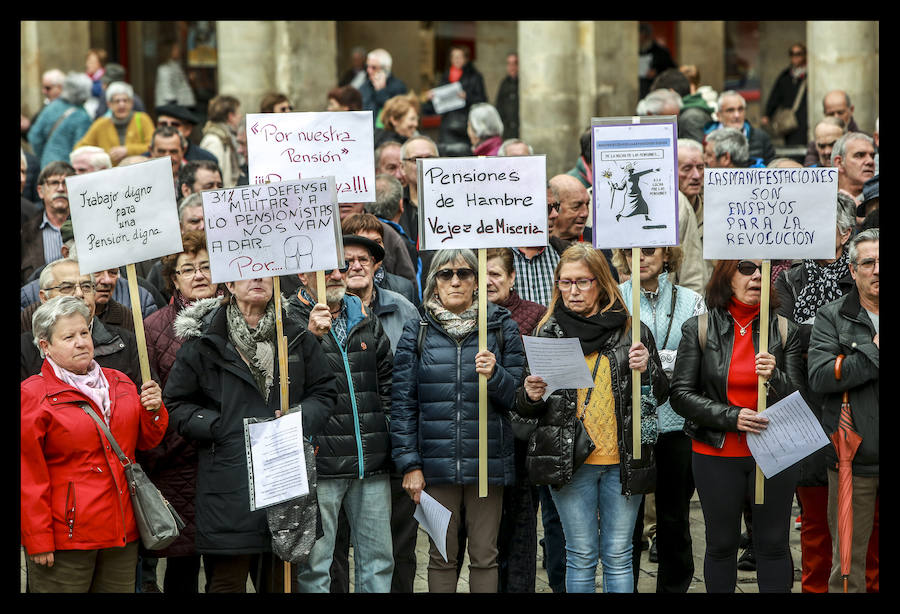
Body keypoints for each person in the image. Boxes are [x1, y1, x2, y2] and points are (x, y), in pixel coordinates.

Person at [164, 276, 337, 593]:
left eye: (265, 272)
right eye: (247, 271)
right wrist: (220, 426)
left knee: (281, 583)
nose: (257, 278)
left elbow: (324, 392)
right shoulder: (205, 341)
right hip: (229, 482)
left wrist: (298, 419)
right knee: (227, 583)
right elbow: (175, 403)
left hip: (284, 478)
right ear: (229, 284)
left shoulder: (295, 334)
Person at [514, 242, 668, 593]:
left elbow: (660, 394)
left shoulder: (632, 330)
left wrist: (647, 371)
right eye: (565, 283)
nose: (573, 291)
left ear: (601, 282)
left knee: (618, 553)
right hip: (571, 461)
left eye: (582, 282)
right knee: (580, 553)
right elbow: (525, 408)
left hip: (623, 460)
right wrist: (531, 394)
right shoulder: (547, 331)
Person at [391, 248, 525, 593]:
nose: (455, 281)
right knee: (441, 557)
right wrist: (410, 464)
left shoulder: (499, 325)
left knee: (485, 555)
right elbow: (403, 403)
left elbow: (519, 397)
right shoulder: (417, 329)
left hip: (486, 464)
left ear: (476, 282)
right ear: (433, 282)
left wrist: (495, 375)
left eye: (464, 273)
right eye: (446, 274)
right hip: (435, 469)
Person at [670, 259, 804, 592]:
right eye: (746, 268)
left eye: (762, 268)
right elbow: (681, 395)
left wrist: (776, 375)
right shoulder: (698, 328)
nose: (757, 275)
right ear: (726, 276)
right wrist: (732, 417)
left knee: (773, 544)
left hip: (774, 452)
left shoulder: (785, 329)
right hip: (716, 452)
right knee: (721, 544)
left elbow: (801, 398)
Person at [21, 296, 167, 593]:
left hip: (122, 532)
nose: (80, 342)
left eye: (84, 333)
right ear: (45, 345)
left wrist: (155, 411)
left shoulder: (120, 382)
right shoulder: (33, 394)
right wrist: (38, 539)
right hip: (67, 538)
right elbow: (28, 475)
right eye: (69, 336)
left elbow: (146, 442)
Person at [774, 197, 877, 592]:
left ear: (844, 234)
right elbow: (786, 344)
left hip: (855, 418)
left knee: (863, 537)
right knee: (816, 526)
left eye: (815, 224)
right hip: (805, 413)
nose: (803, 233)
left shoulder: (860, 278)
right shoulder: (787, 279)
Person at [286, 254, 396, 594]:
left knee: (378, 564)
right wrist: (311, 338)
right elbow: (283, 387)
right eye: (326, 269)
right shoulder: (288, 320)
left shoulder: (364, 316)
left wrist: (385, 429)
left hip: (371, 463)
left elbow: (388, 382)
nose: (337, 275)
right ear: (304, 274)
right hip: (321, 466)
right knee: (316, 569)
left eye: (341, 268)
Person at [613, 245, 705, 592]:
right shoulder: (614, 300)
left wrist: (651, 360)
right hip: (627, 424)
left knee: (674, 518)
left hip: (676, 423)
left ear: (667, 255)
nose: (640, 256)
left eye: (649, 249)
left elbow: (697, 359)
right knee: (627, 521)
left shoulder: (691, 300)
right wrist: (669, 359)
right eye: (630, 250)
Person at [138, 231, 223, 594]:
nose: (199, 275)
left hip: (226, 459)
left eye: (206, 266)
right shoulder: (154, 328)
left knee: (226, 566)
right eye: (188, 269)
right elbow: (152, 399)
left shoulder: (241, 317)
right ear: (174, 279)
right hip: (176, 464)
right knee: (181, 568)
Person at [807, 228, 879, 593]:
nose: (877, 270)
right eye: (869, 262)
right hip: (855, 459)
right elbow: (820, 376)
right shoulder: (832, 317)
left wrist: (855, 358)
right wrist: (874, 350)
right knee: (847, 569)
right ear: (853, 270)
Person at [483, 247, 545, 593]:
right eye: (482, 273)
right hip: (480, 435)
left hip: (520, 435)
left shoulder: (535, 316)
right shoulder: (467, 315)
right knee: (484, 531)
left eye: (495, 274)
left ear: (511, 277)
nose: (488, 281)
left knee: (520, 526)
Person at [20, 258, 143, 389]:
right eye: (67, 287)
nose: (79, 294)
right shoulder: (24, 349)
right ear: (44, 297)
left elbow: (147, 400)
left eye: (86, 286)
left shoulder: (126, 341)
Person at [424, 45, 488, 152]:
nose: (456, 60)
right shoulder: (446, 75)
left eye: (459, 57)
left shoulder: (475, 76)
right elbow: (435, 105)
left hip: (466, 125)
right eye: (453, 57)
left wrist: (467, 97)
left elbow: (482, 100)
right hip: (448, 124)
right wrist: (431, 98)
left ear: (466, 58)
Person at [21, 160, 75, 285]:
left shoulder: (86, 228)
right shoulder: (26, 232)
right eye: (54, 183)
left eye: (66, 183)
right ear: (40, 191)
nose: (61, 188)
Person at [74, 82, 154, 166]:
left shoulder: (143, 119)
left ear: (131, 103)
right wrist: (103, 156)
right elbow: (79, 148)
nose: (121, 105)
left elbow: (153, 146)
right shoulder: (101, 124)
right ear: (109, 104)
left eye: (125, 100)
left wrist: (127, 150)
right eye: (117, 101)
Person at [28, 71, 94, 169]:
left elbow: (34, 136)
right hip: (68, 168)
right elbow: (80, 150)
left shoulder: (52, 106)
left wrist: (45, 155)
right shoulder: (83, 117)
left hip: (47, 166)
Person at [705, 91, 775, 166]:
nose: (737, 115)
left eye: (740, 109)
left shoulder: (761, 137)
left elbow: (771, 168)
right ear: (718, 115)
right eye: (730, 110)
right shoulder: (706, 138)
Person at [761, 43, 808, 146]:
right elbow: (775, 96)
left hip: (805, 119)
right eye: (792, 54)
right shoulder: (785, 76)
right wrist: (767, 114)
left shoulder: (810, 75)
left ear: (805, 55)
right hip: (790, 121)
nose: (795, 57)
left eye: (798, 54)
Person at [803, 90, 865, 167]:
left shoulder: (865, 141)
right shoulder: (815, 144)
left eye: (840, 112)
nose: (836, 117)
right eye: (831, 114)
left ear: (851, 110)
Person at [199, 94, 242, 188]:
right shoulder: (214, 140)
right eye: (238, 113)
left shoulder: (228, 137)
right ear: (231, 116)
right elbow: (212, 176)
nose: (241, 116)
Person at [360, 48, 408, 125]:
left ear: (385, 69)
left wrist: (381, 91)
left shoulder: (398, 86)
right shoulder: (364, 86)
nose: (369, 70)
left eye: (373, 67)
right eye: (367, 67)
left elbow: (397, 113)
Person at [832, 132, 876, 207]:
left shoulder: (876, 202)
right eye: (860, 155)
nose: (870, 161)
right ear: (839, 163)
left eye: (872, 156)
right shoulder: (823, 199)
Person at [638, 23, 677, 99]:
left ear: (646, 36)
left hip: (657, 90)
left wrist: (657, 72)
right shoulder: (636, 51)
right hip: (641, 90)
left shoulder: (661, 52)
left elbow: (672, 70)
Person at [155, 40, 196, 109]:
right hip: (172, 109)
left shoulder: (176, 65)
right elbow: (167, 93)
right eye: (176, 49)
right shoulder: (164, 69)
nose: (178, 51)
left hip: (183, 106)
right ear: (169, 51)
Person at [495, 52, 519, 139]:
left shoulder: (524, 84)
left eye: (515, 63)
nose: (512, 67)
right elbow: (499, 105)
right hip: (507, 130)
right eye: (509, 64)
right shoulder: (504, 83)